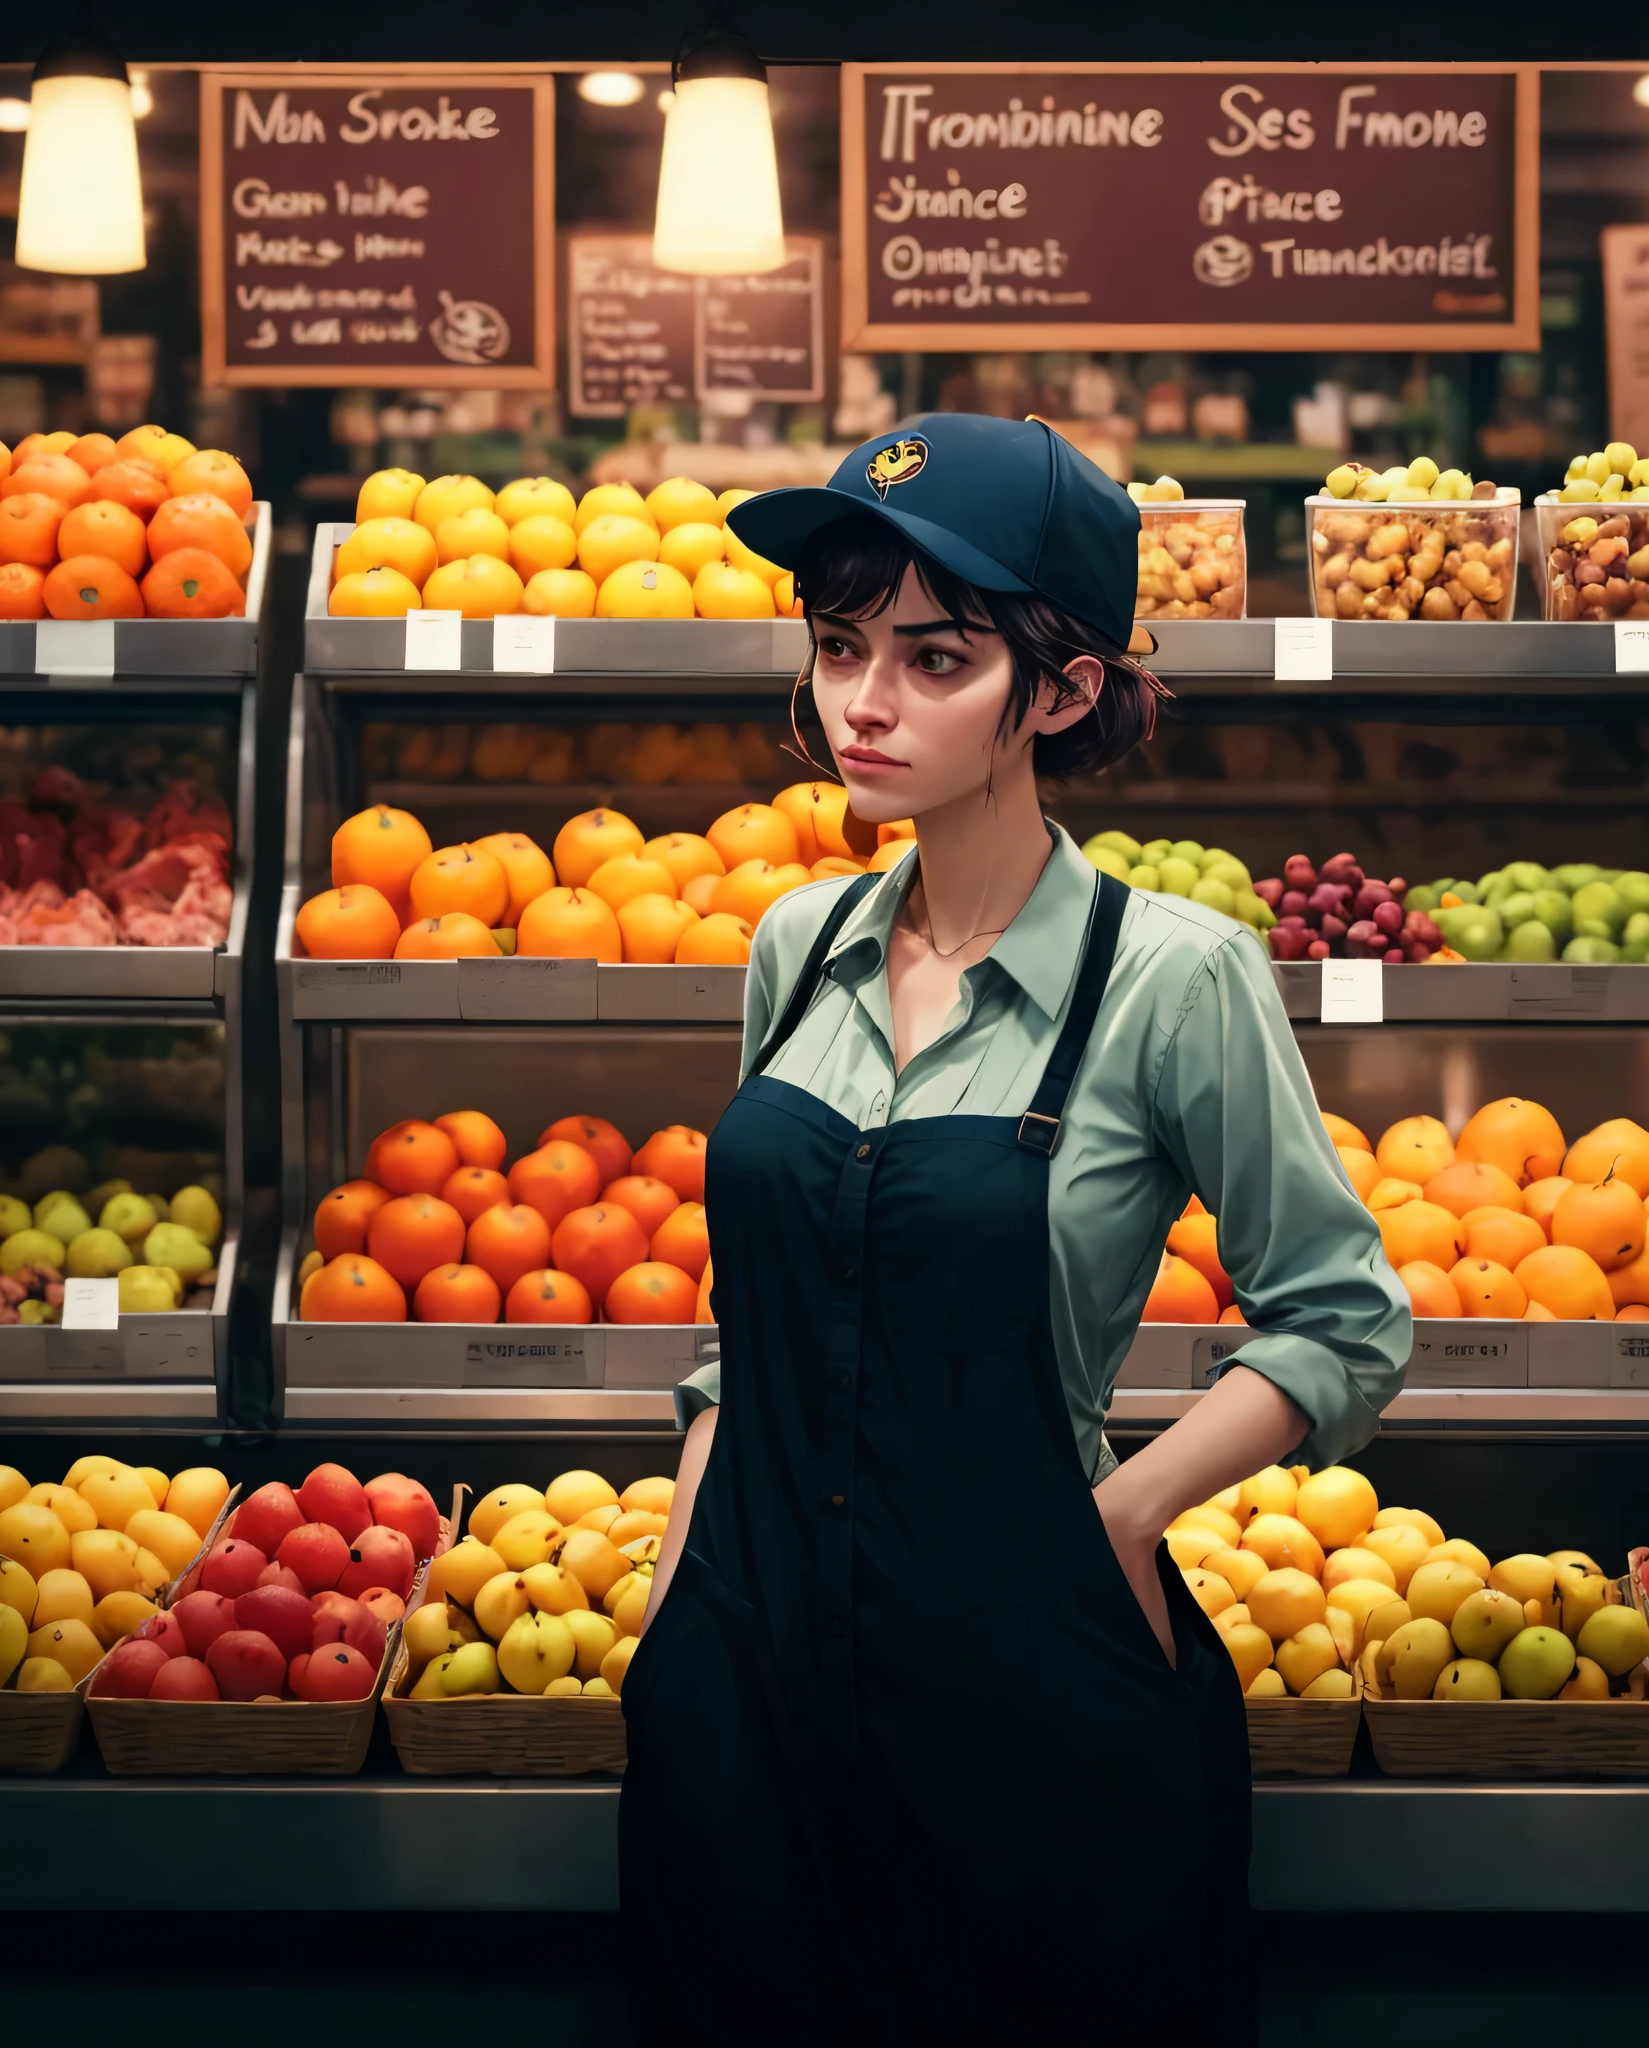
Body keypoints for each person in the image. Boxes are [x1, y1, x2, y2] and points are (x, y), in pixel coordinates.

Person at [618, 413, 1409, 2044]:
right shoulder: (796, 942)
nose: (868, 702)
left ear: (1056, 691)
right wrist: (679, 1599)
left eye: (936, 655)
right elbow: (753, 1324)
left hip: (1020, 1693)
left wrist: (1115, 1527)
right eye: (842, 647)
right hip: (745, 1681)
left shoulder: (1172, 977)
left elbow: (1340, 1320)